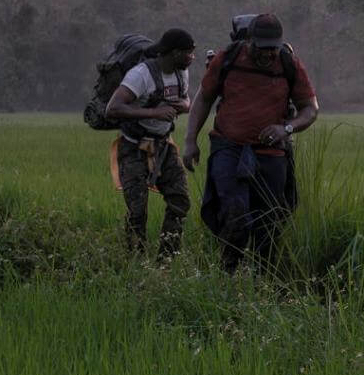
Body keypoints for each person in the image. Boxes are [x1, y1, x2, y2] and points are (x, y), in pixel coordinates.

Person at [182, 14, 319, 273]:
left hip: (271, 154)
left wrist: (286, 128)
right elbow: (203, 99)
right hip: (229, 148)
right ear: (248, 41)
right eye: (260, 48)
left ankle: (262, 280)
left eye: (272, 49)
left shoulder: (289, 64)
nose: (267, 55)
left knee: (269, 222)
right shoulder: (228, 59)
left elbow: (310, 109)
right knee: (235, 214)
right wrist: (190, 141)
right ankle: (228, 273)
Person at [104, 27, 196, 262]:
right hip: (133, 147)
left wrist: (182, 106)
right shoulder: (140, 75)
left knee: (180, 201)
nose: (192, 58)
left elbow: (187, 100)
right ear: (174, 52)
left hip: (164, 146)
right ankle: (136, 263)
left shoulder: (181, 72)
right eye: (188, 53)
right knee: (137, 211)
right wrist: (154, 112)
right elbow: (113, 108)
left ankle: (165, 261)